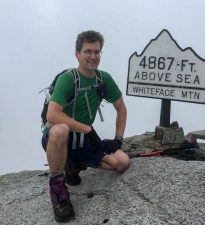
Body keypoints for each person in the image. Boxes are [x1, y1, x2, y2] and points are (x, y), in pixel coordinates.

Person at [41, 30, 130, 222]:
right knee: (61, 129)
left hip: (82, 138)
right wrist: (88, 130)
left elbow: (121, 108)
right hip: (58, 136)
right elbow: (52, 114)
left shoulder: (102, 79)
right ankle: (59, 194)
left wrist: (118, 140)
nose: (93, 56)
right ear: (77, 54)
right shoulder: (68, 78)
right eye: (88, 51)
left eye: (97, 52)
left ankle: (74, 165)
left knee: (121, 163)